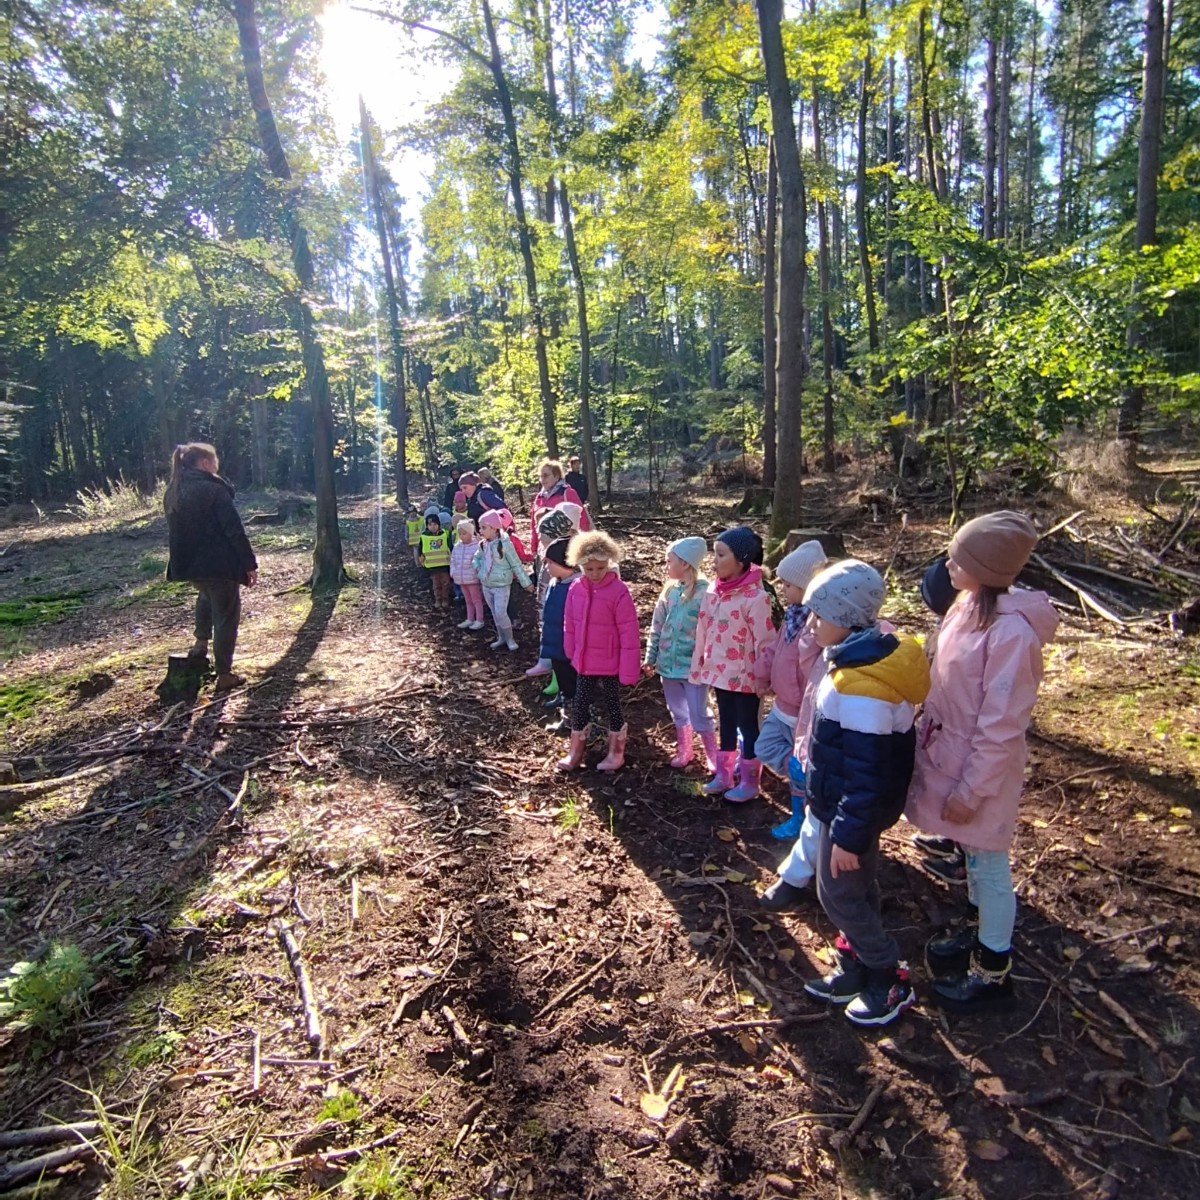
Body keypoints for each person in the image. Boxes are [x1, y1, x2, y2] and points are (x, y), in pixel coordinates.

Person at [905, 512, 1057, 1015]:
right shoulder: (964, 607)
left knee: (989, 863)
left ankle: (993, 970)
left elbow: (1001, 724)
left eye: (959, 558)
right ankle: (975, 930)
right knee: (969, 855)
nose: (947, 563)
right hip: (951, 755)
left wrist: (973, 788)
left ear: (987, 570)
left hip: (983, 769)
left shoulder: (1011, 635)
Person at [799, 560, 930, 1028]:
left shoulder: (862, 689)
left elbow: (867, 770)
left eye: (821, 615)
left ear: (850, 619)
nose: (811, 623)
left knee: (837, 894)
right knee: (855, 888)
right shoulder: (855, 663)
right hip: (846, 807)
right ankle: (855, 964)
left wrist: (851, 834)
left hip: (851, 812)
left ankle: (888, 974)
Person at [688, 526, 776, 802]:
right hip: (718, 673)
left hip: (746, 677)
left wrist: (764, 678)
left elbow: (765, 642)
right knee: (725, 722)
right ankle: (724, 775)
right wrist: (698, 664)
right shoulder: (714, 590)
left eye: (721, 555)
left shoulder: (756, 598)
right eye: (714, 554)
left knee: (748, 726)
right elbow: (703, 629)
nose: (714, 561)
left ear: (741, 560)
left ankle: (750, 781)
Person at [163, 442, 258, 693]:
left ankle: (199, 645)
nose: (217, 465)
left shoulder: (175, 490)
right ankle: (224, 674)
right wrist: (249, 564)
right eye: (214, 460)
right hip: (219, 564)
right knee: (226, 615)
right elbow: (234, 531)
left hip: (190, 565)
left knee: (205, 598)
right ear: (205, 463)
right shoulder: (214, 491)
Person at [751, 541, 828, 836]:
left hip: (802, 713)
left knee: (800, 763)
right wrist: (762, 676)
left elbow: (814, 669)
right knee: (765, 747)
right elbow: (774, 650)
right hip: (781, 707)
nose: (782, 589)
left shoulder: (818, 624)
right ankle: (805, 778)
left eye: (788, 584)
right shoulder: (792, 617)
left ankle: (801, 817)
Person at [558, 531, 640, 773]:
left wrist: (628, 668)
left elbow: (629, 632)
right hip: (585, 661)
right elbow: (569, 621)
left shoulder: (618, 591)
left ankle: (616, 752)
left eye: (600, 568)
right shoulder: (576, 588)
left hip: (610, 662)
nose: (595, 573)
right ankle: (576, 751)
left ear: (609, 564)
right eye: (589, 568)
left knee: (613, 704)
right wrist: (571, 650)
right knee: (580, 704)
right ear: (579, 565)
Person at [643, 536, 716, 770]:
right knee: (677, 711)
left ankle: (714, 756)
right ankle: (685, 749)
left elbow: (713, 632)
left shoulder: (706, 594)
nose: (666, 566)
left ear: (685, 563)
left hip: (694, 668)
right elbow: (657, 626)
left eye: (669, 561)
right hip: (668, 665)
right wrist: (650, 657)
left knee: (699, 713)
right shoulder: (669, 592)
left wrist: (708, 662)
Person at [473, 510, 534, 650]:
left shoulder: (505, 544)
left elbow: (516, 564)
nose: (480, 531)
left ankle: (510, 638)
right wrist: (478, 568)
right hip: (486, 583)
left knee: (501, 612)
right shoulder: (483, 545)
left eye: (483, 527)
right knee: (494, 612)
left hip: (501, 584)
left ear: (494, 528)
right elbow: (477, 558)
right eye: (480, 527)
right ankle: (501, 637)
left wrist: (526, 583)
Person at [539, 538, 580, 734]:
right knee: (564, 683)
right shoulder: (555, 583)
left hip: (569, 649)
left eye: (550, 563)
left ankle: (574, 722)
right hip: (555, 644)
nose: (546, 567)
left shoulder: (577, 587)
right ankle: (567, 714)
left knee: (572, 686)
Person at [529, 460, 589, 559]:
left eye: (546, 475)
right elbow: (534, 525)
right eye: (540, 476)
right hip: (543, 549)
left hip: (565, 550)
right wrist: (534, 549)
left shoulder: (568, 493)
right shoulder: (539, 497)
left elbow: (583, 521)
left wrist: (580, 547)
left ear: (557, 476)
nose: (542, 479)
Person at [451, 520, 486, 630]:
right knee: (468, 600)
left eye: (464, 533)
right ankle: (470, 618)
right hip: (461, 579)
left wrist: (478, 572)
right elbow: (453, 560)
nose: (461, 536)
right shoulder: (457, 547)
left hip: (472, 579)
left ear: (471, 533)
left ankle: (479, 619)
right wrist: (453, 572)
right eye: (460, 534)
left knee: (476, 600)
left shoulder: (477, 546)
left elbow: (480, 560)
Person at [419, 512, 452, 610]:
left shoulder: (445, 534)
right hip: (432, 566)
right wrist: (422, 563)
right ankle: (438, 599)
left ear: (439, 525)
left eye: (435, 524)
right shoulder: (424, 537)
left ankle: (445, 599)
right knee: (436, 584)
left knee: (445, 583)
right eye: (430, 525)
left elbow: (450, 547)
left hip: (444, 565)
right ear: (427, 526)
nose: (433, 527)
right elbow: (420, 551)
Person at [405, 504, 424, 568]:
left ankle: (418, 564)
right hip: (421, 538)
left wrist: (407, 539)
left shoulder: (408, 522)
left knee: (416, 551)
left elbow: (406, 532)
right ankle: (422, 562)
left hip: (413, 540)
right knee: (421, 551)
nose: (412, 514)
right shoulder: (422, 519)